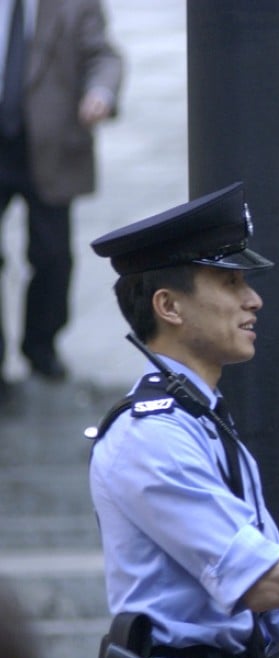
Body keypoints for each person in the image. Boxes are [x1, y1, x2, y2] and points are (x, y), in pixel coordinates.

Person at [88, 182, 279, 658]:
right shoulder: (152, 437)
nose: (254, 301)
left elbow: (277, 610)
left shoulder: (199, 421)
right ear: (169, 306)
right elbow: (260, 582)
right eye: (229, 284)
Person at [0, 0, 123, 396]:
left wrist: (100, 92)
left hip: (50, 148)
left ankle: (41, 346)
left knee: (51, 255)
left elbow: (103, 55)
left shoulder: (73, 4)